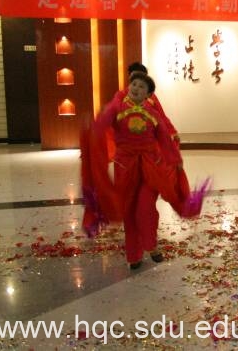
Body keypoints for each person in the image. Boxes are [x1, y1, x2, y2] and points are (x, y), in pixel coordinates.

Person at [82, 72, 194, 269]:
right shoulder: (117, 107)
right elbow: (100, 125)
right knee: (129, 211)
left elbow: (164, 140)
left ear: (148, 94)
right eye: (134, 84)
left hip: (150, 167)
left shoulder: (153, 113)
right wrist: (90, 131)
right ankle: (134, 255)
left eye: (141, 86)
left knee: (145, 208)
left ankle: (151, 246)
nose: (136, 88)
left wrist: (175, 160)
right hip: (125, 168)